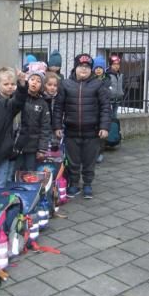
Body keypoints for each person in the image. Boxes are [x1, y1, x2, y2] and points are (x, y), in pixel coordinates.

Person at [52, 53, 111, 199]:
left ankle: (88, 184)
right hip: (71, 131)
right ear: (75, 67)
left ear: (91, 69)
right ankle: (74, 184)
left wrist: (104, 127)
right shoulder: (66, 84)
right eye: (81, 66)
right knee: (73, 160)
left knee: (89, 160)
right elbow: (58, 107)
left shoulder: (98, 85)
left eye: (87, 67)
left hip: (92, 132)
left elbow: (105, 107)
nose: (83, 69)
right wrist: (57, 126)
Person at [13, 62, 51, 172]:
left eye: (38, 81)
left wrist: (42, 149)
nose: (35, 82)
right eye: (32, 79)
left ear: (42, 86)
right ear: (27, 81)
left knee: (29, 172)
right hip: (17, 144)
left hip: (32, 147)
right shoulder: (19, 96)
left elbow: (45, 127)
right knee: (14, 171)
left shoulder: (43, 104)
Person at [92, 55, 111, 164]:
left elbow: (108, 95)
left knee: (101, 134)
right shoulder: (91, 80)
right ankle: (93, 153)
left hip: (102, 110)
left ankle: (100, 152)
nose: (98, 70)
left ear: (104, 69)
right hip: (94, 110)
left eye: (100, 68)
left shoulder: (107, 80)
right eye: (96, 68)